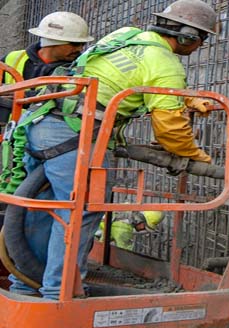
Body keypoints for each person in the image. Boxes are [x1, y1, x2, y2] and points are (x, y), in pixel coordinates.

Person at [8, 0, 217, 299]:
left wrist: (183, 99)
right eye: (202, 39)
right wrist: (194, 153)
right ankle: (59, 293)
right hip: (75, 135)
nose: (200, 46)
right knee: (80, 212)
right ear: (187, 36)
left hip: (40, 122)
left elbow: (118, 77)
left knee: (41, 211)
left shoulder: (126, 36)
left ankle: (25, 286)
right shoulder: (167, 64)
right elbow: (170, 128)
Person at [0, 11, 93, 123]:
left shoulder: (80, 67)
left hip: (43, 132)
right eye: (74, 44)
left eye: (82, 44)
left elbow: (70, 100)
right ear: (52, 41)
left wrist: (24, 96)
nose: (79, 49)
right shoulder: (13, 58)